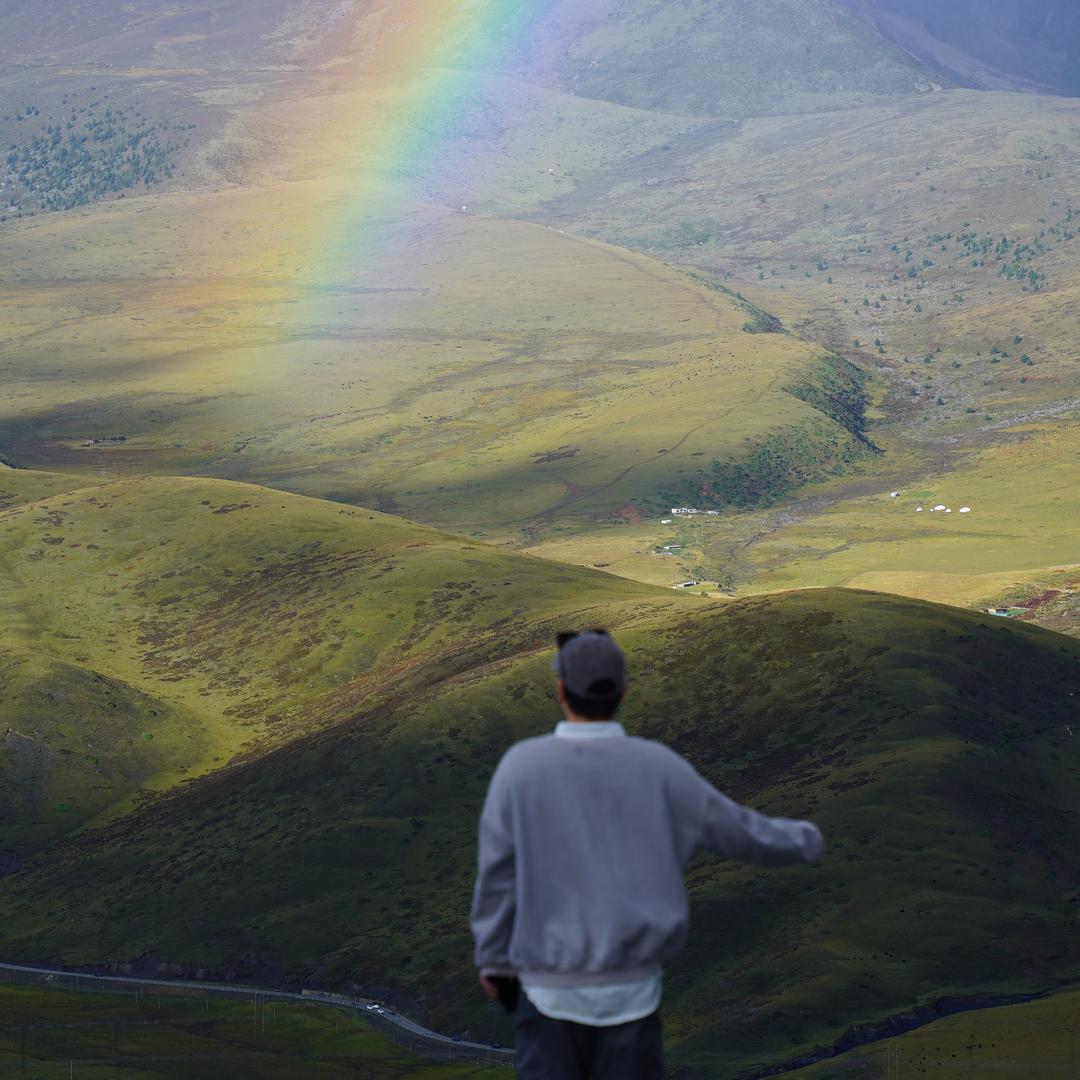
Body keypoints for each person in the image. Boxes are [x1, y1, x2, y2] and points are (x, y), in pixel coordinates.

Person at [470, 628, 824, 1080]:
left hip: (548, 999)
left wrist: (493, 959)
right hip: (632, 1000)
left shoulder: (521, 767)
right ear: (623, 691)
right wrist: (808, 838)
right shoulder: (659, 767)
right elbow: (742, 832)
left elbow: (497, 872)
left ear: (560, 689)